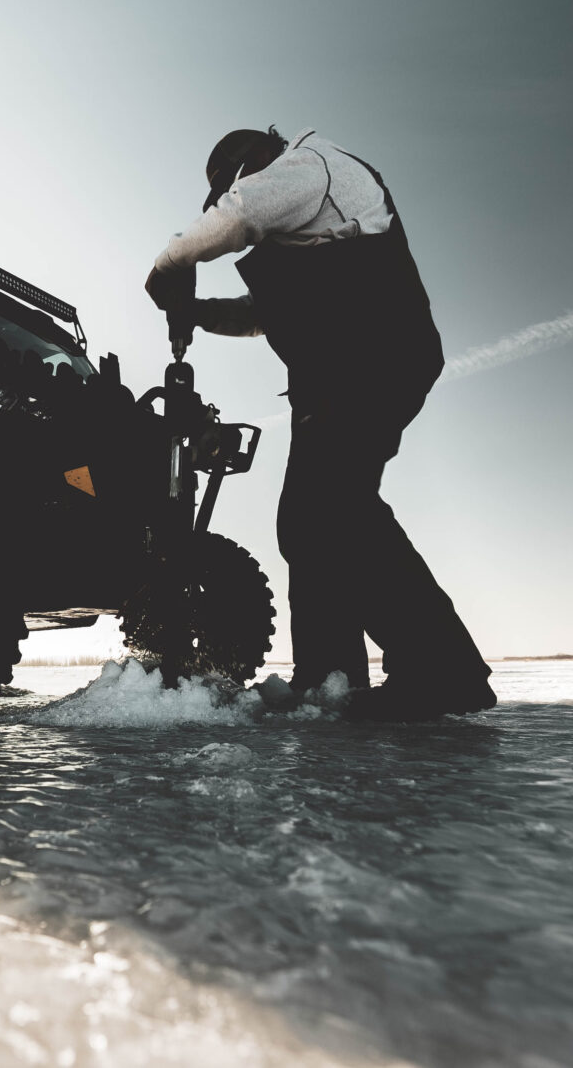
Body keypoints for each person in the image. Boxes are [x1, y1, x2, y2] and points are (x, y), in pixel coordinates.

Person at [145, 126, 495, 720]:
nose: (241, 192)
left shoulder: (310, 166)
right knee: (308, 523)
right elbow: (263, 314)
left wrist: (170, 266)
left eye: (237, 183)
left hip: (372, 359)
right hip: (338, 379)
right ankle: (330, 683)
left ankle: (443, 670)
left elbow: (239, 215)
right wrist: (199, 315)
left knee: (334, 509)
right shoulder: (312, 221)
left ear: (250, 163)